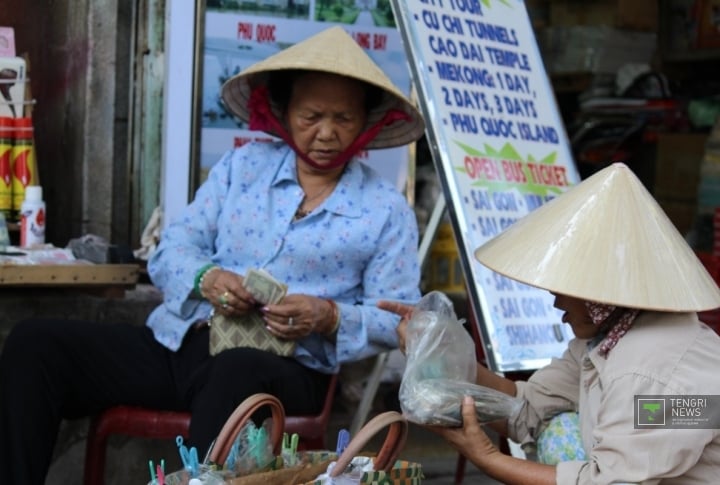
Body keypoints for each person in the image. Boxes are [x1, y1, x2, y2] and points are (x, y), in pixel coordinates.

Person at [0, 26, 425, 484]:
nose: (326, 133)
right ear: (282, 113)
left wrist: (329, 316)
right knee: (36, 344)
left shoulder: (384, 210)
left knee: (234, 372)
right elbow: (173, 249)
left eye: (343, 118)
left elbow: (398, 318)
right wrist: (208, 279)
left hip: (285, 369)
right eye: (312, 116)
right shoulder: (242, 168)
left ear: (366, 121)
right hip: (181, 346)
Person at [379, 163, 720, 484]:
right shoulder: (609, 341)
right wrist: (439, 349)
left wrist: (486, 457)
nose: (556, 302)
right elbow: (525, 409)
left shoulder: (655, 375)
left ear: (599, 296)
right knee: (558, 424)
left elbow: (615, 481)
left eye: (565, 290)